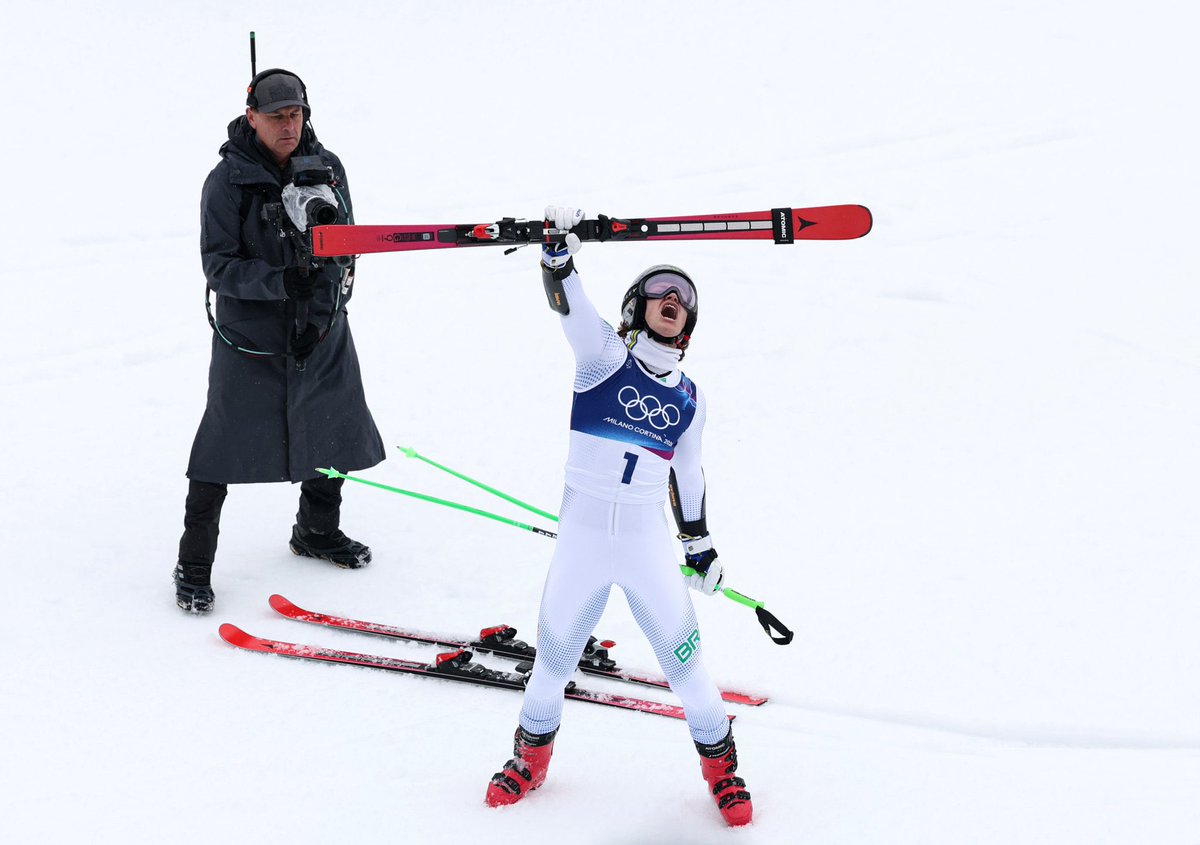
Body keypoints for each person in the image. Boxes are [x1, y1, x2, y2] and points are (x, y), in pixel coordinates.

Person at [483, 207, 753, 826]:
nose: (674, 299)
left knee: (686, 667)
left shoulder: (690, 398)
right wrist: (557, 255)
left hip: (644, 545)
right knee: (551, 662)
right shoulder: (602, 356)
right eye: (661, 290)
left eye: (684, 299)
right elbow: (567, 300)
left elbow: (688, 474)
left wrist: (700, 546)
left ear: (688, 324)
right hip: (581, 542)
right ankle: (531, 758)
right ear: (637, 306)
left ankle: (723, 769)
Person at [174, 68, 385, 613]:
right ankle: (193, 565)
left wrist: (320, 312)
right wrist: (277, 281)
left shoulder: (328, 168)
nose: (288, 126)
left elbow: (345, 245)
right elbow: (217, 265)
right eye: (276, 117)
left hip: (322, 326)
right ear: (252, 119)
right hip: (250, 338)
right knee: (221, 447)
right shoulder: (226, 182)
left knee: (332, 429)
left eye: (296, 115)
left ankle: (316, 531)